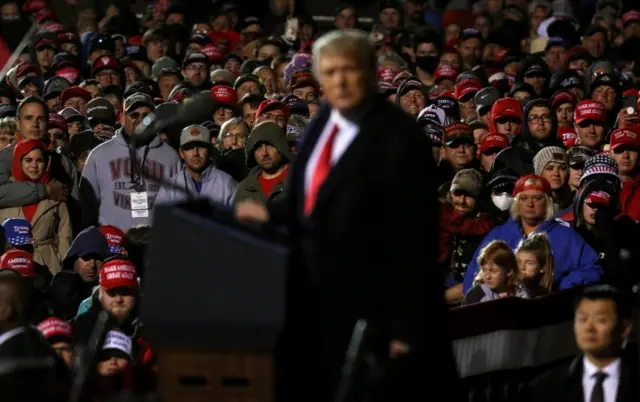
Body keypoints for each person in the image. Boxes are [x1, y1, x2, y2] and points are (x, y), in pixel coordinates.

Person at [236, 29, 460, 402]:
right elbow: (309, 205)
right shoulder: (323, 122)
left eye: (349, 70)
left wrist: (405, 328)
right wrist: (266, 215)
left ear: (371, 72)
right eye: (331, 71)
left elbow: (415, 239)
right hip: (320, 306)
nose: (339, 80)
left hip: (377, 313)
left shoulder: (400, 138)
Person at [527, 285, 638, 402]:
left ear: (625, 327)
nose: (589, 328)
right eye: (582, 319)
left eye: (601, 320)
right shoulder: (547, 386)